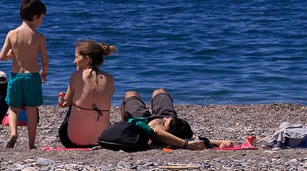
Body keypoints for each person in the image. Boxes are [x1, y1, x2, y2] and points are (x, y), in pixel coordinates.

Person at [99, 89, 237, 151]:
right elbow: (195, 138)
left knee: (130, 94)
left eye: (166, 121)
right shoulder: (170, 121)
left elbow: (158, 132)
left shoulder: (159, 131)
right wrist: (220, 141)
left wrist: (185, 145)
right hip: (171, 123)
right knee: (159, 92)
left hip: (142, 119)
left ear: (168, 131)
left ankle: (126, 123)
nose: (164, 119)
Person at [0, 0, 49, 149]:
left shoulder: (12, 34)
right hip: (32, 77)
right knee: (32, 110)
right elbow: (45, 60)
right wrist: (44, 72)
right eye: (41, 18)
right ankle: (31, 144)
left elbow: (1, 57)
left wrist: (10, 55)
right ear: (35, 17)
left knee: (13, 108)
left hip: (16, 76)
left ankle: (13, 133)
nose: (42, 22)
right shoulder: (39, 37)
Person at [57, 40, 118, 148]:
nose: (74, 61)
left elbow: (67, 102)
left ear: (87, 59)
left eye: (76, 57)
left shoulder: (76, 75)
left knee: (73, 104)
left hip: (71, 140)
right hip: (102, 140)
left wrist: (66, 100)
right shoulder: (110, 78)